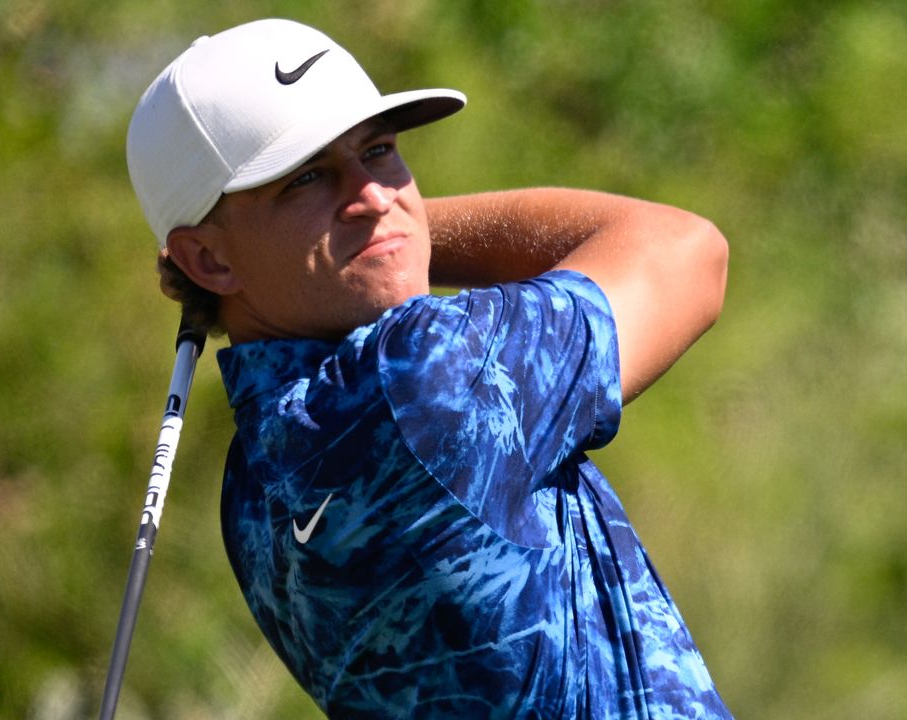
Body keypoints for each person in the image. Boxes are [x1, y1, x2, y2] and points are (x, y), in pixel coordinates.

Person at [127, 18, 733, 719]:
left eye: (379, 151)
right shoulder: (418, 379)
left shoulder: (250, 488)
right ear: (208, 259)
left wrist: (373, 235)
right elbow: (687, 251)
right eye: (307, 180)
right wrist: (401, 235)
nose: (374, 194)